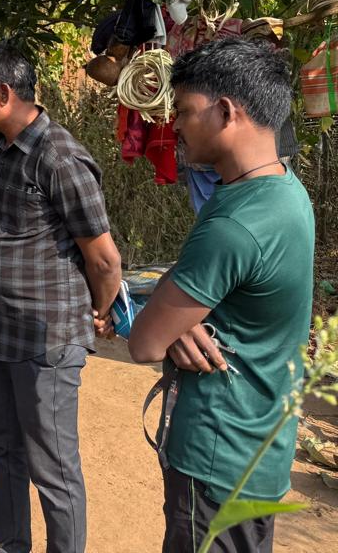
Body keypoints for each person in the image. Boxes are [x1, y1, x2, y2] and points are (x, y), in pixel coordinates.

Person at [129, 39, 314, 553]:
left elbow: (144, 343)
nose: (175, 127)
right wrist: (185, 316)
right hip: (259, 445)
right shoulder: (283, 190)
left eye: (186, 112)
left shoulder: (235, 223)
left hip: (217, 455)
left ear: (227, 111)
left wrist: (170, 318)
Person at [0, 43, 122, 553]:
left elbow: (103, 259)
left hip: (45, 341)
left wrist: (99, 309)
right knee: (3, 449)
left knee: (52, 468)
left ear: (4, 94)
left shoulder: (60, 157)